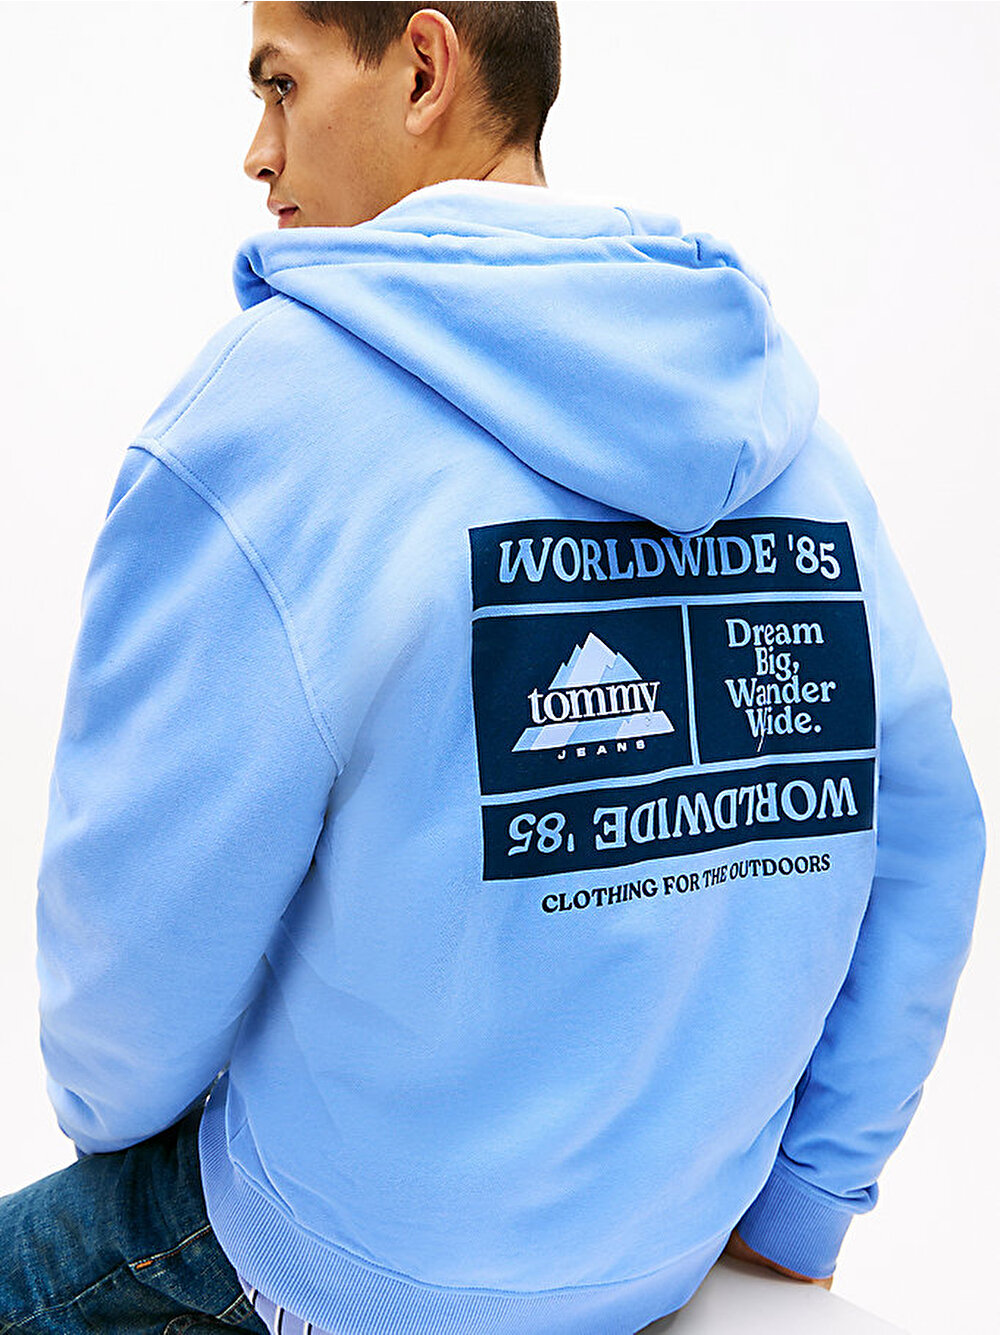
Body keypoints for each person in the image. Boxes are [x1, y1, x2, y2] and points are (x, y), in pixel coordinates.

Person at [3, 2, 984, 1334]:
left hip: (348, 1262)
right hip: (660, 1253)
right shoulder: (784, 429)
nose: (257, 150)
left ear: (423, 69)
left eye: (282, 84)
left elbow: (139, 931)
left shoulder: (272, 413)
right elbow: (931, 837)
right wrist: (806, 1201)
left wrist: (109, 1117)